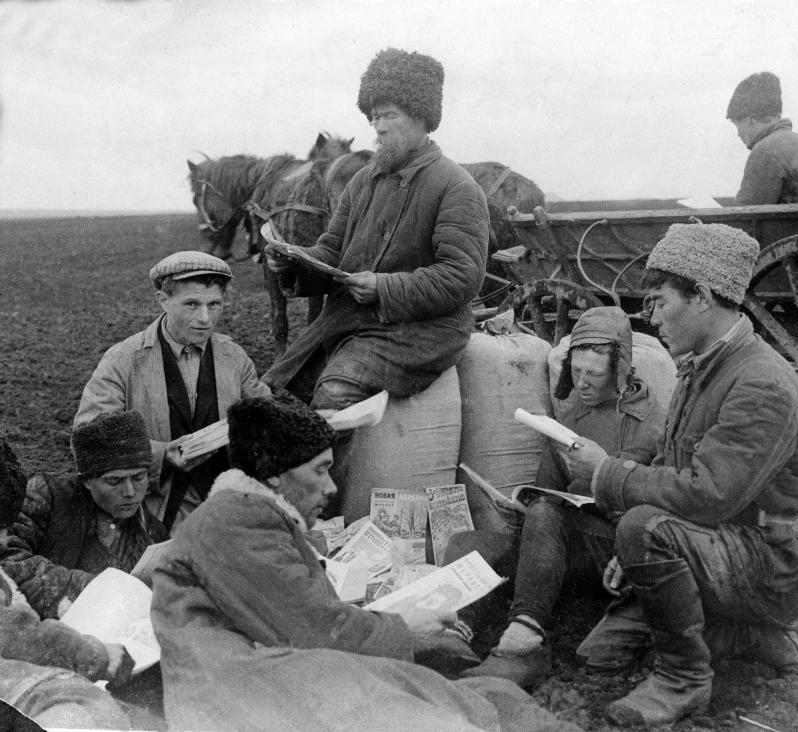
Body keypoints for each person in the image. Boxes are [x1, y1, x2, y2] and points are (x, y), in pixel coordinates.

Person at [149, 394, 580, 732]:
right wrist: (405, 628)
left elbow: (309, 621)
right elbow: (315, 631)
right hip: (236, 692)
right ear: (276, 474)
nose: (332, 487)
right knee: (425, 699)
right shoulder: (234, 521)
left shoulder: (245, 515)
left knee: (442, 691)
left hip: (253, 678)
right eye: (319, 471)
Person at [563, 223, 798, 727]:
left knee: (643, 528)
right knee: (599, 653)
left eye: (659, 301)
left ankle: (685, 678)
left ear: (701, 296)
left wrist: (607, 475)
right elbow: (667, 466)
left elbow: (709, 493)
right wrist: (626, 545)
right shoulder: (700, 365)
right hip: (714, 547)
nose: (652, 317)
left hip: (767, 565)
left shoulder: (761, 381)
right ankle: (742, 636)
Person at [441, 307, 671, 689]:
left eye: (594, 374)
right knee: (470, 541)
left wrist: (594, 478)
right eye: (576, 372)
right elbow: (546, 486)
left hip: (613, 551)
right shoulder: (572, 415)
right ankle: (453, 633)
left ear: (621, 370)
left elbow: (651, 504)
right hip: (560, 535)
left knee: (548, 514)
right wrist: (522, 503)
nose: (582, 383)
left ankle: (523, 643)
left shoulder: (651, 424)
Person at [263, 48, 488, 412]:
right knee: (270, 395)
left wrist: (384, 288)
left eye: (388, 115)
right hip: (347, 321)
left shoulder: (456, 186)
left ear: (421, 117)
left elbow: (461, 277)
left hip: (420, 333)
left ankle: (332, 472)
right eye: (373, 118)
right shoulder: (363, 182)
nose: (379, 127)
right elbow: (332, 252)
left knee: (333, 396)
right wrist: (294, 262)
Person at [75, 250, 271, 528]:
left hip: (226, 503)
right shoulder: (123, 359)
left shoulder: (234, 357)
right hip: (152, 508)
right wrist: (161, 454)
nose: (205, 318)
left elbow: (268, 419)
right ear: (163, 301)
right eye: (192, 304)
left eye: (214, 304)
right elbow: (89, 436)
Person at [0, 435, 132, 730]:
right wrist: (93, 655)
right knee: (73, 701)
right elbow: (12, 631)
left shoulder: (145, 527)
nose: (2, 539)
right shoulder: (50, 495)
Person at [0, 411, 167, 621]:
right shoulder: (49, 497)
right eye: (115, 481)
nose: (130, 492)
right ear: (87, 481)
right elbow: (7, 560)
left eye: (138, 477)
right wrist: (93, 588)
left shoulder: (152, 535)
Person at [728, 71, 798, 205]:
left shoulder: (766, 150)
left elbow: (743, 215)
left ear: (748, 120)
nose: (738, 134)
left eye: (737, 126)